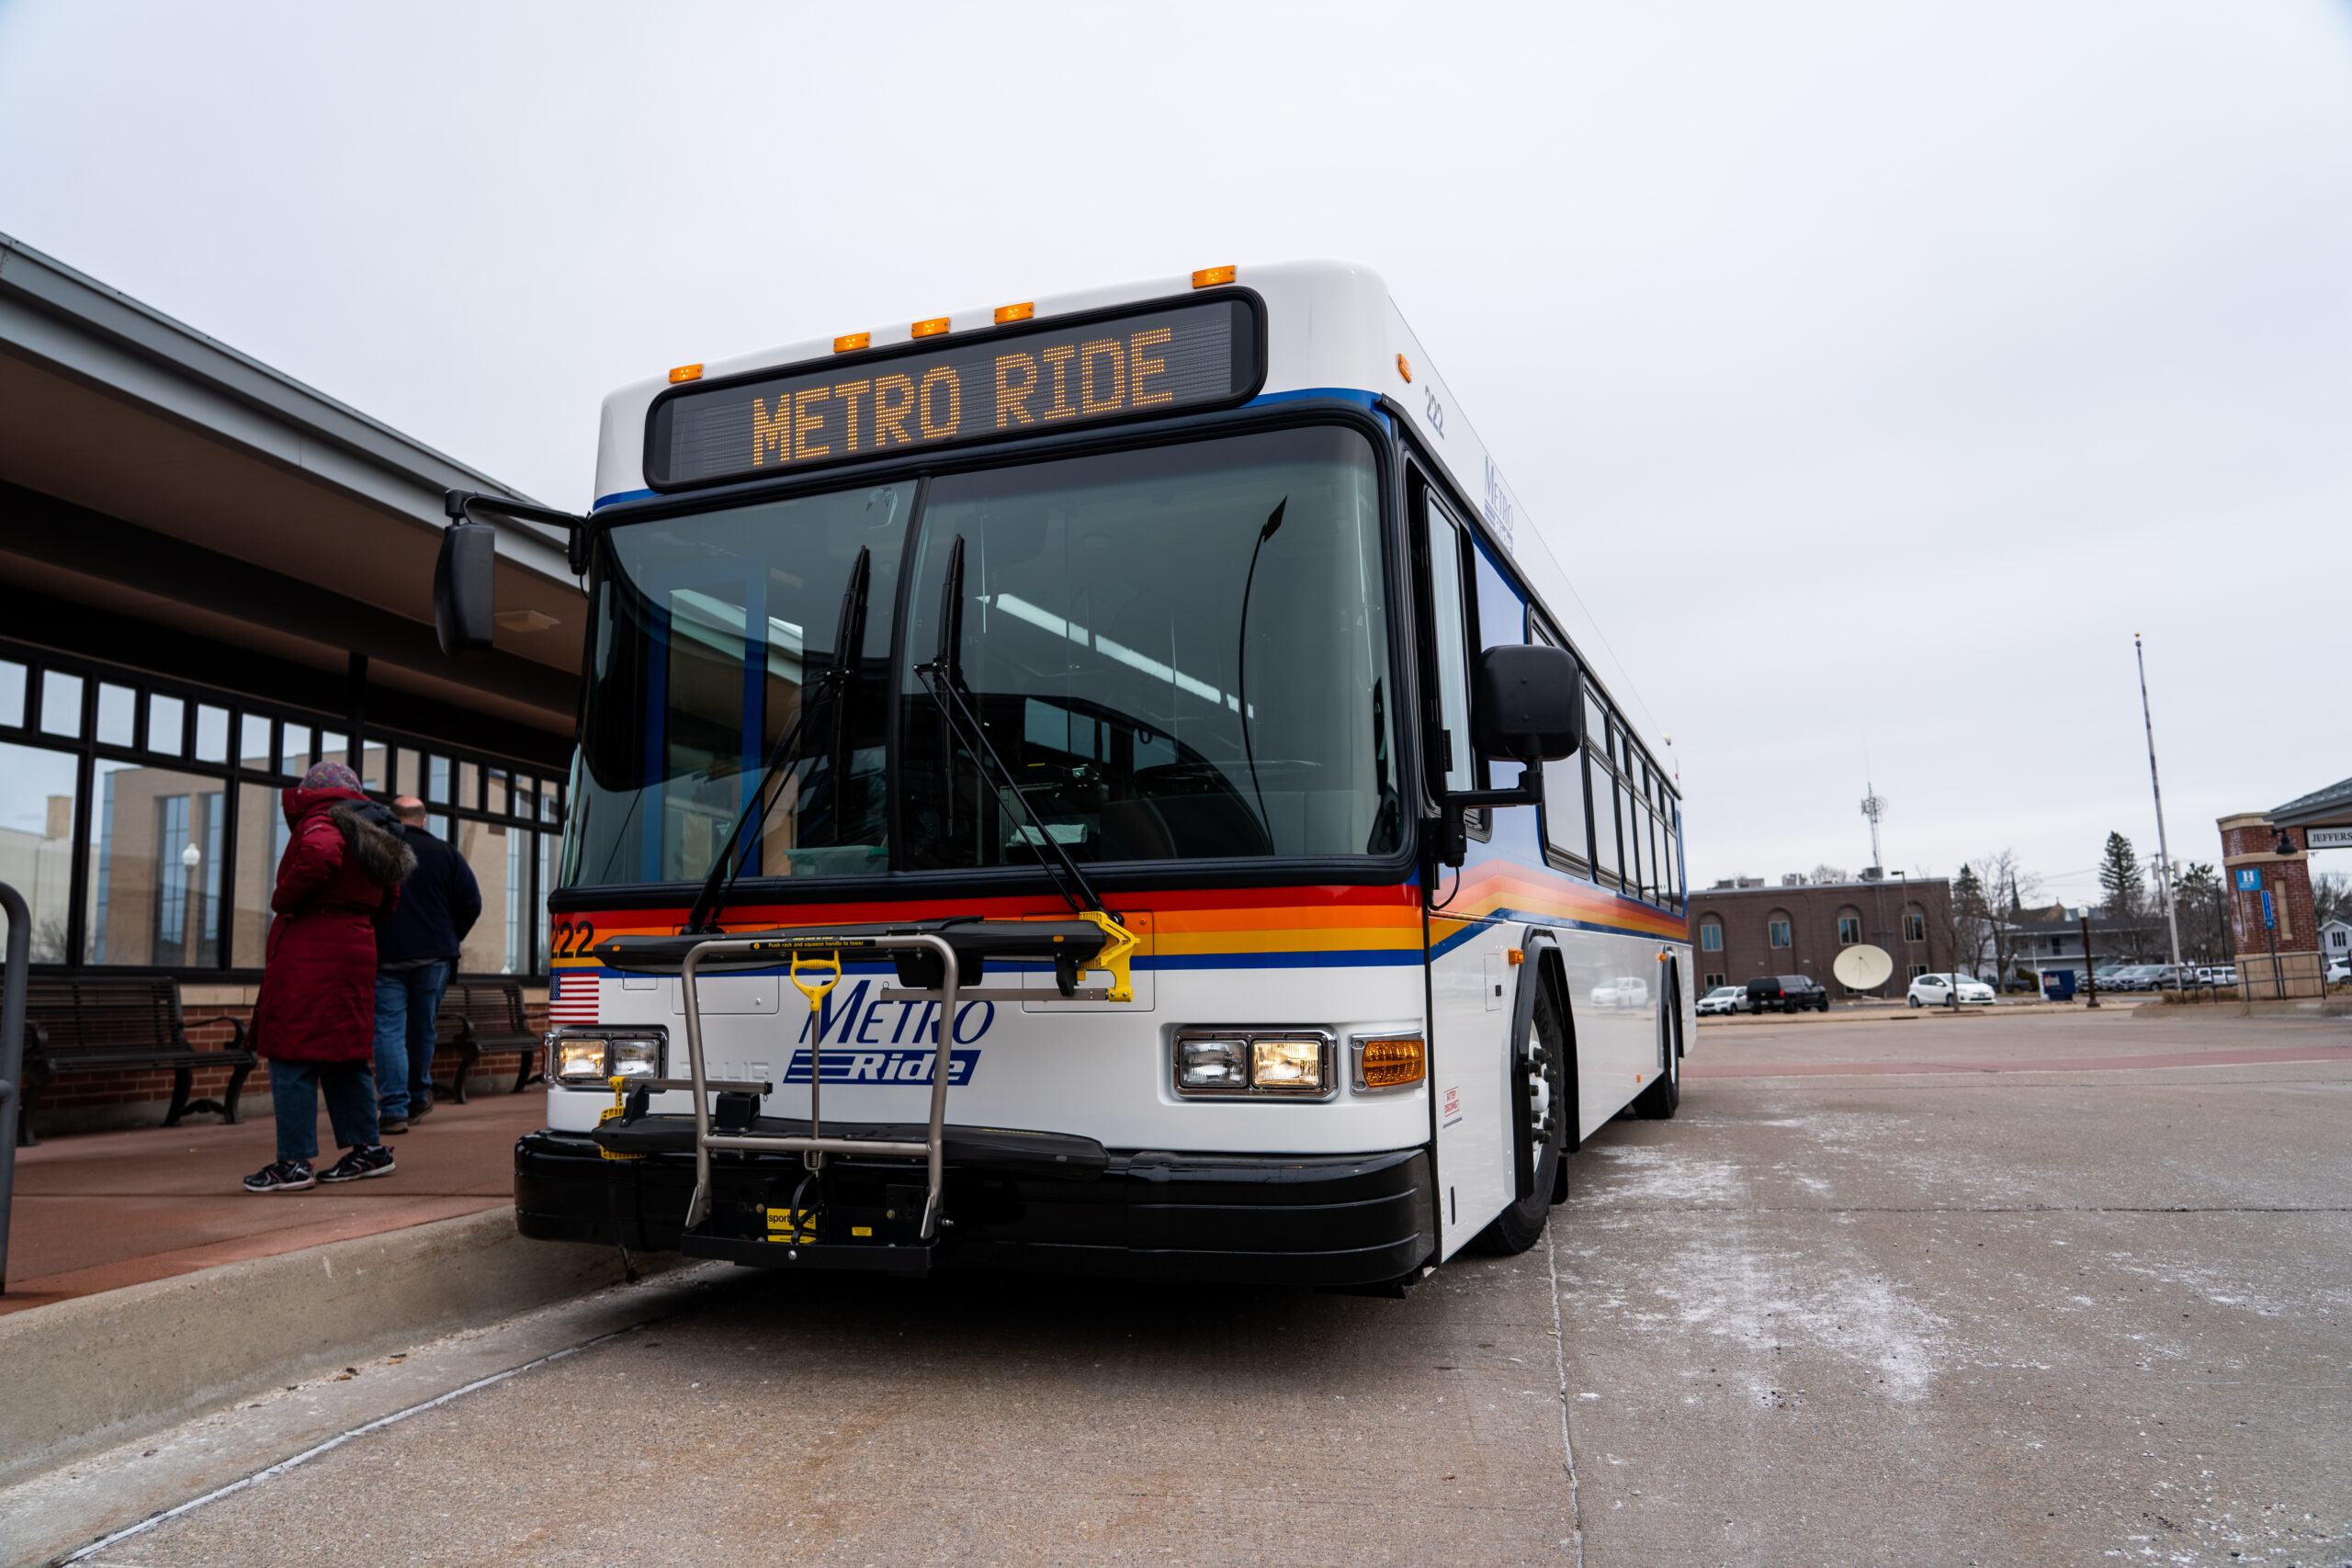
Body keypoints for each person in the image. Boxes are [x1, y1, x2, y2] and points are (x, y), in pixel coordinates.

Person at [243, 761, 416, 1193]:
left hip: (313, 948)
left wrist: (283, 898)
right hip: (356, 944)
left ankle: (294, 1161)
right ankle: (368, 1150)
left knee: (291, 1049)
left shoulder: (322, 818)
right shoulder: (376, 828)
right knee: (345, 1051)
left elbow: (319, 855)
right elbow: (391, 895)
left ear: (314, 792)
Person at [372, 796, 481, 1133]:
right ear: (423, 820)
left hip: (385, 955)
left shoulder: (377, 851)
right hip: (433, 956)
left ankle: (393, 1109)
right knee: (422, 1030)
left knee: (388, 1031)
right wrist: (449, 937)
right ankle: (418, 1096)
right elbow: (471, 903)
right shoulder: (446, 853)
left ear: (392, 818)